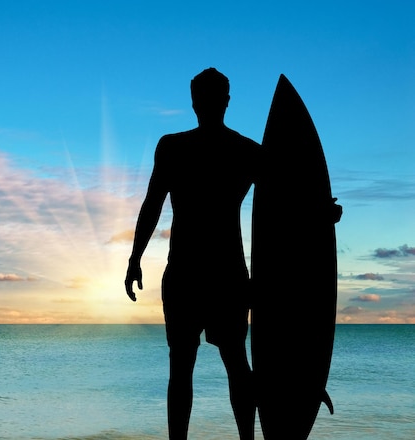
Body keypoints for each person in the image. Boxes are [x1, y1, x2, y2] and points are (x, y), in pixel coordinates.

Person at [124, 68, 258, 440]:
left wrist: (135, 258)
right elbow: (151, 205)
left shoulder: (177, 147)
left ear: (197, 101)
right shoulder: (245, 151)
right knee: (228, 363)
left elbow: (286, 199)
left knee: (192, 366)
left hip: (193, 273)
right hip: (222, 274)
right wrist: (135, 257)